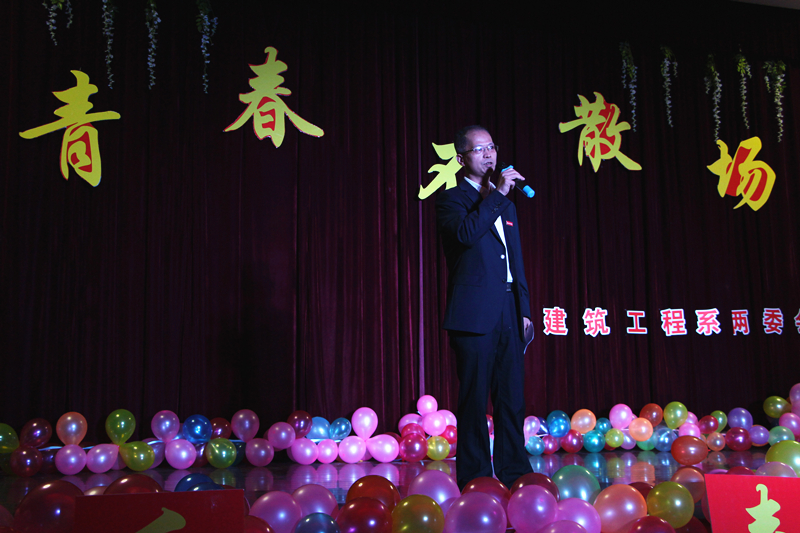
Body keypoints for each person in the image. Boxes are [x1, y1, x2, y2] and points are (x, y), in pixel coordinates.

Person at [435, 125, 534, 490]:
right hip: (474, 313)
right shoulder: (451, 200)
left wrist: (524, 309)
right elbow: (466, 234)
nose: (489, 154)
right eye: (479, 149)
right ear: (462, 158)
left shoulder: (506, 204)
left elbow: (515, 260)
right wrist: (498, 195)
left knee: (512, 397)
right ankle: (476, 479)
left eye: (492, 146)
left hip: (509, 308)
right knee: (475, 399)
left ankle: (516, 473)